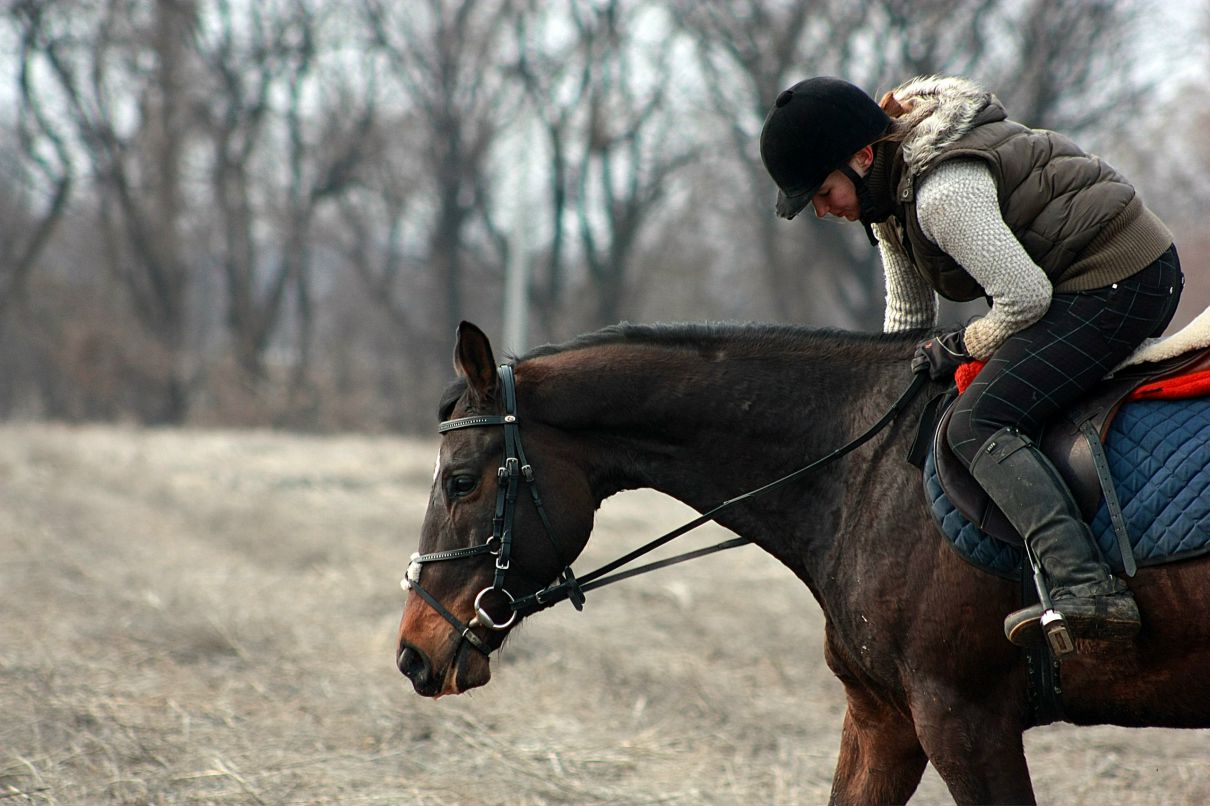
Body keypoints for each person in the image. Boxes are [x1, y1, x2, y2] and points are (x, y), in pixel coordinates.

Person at [759, 75, 1183, 649]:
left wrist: (961, 345)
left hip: (1121, 279)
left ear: (861, 158)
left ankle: (1085, 587)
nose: (820, 210)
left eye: (822, 192)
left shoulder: (941, 195)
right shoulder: (885, 194)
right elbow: (908, 316)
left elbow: (1025, 299)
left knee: (978, 422)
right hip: (1067, 284)